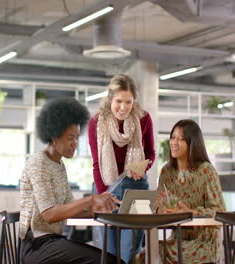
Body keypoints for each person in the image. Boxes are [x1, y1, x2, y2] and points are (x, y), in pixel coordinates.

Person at [20, 97, 123, 264]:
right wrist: (90, 199)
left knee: (112, 260)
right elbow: (49, 214)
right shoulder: (38, 163)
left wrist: (99, 211)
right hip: (36, 246)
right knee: (110, 262)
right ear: (54, 136)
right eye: (70, 138)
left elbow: (69, 210)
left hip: (53, 241)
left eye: (76, 138)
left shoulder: (58, 165)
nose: (75, 143)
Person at [88, 74, 155, 264]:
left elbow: (151, 153)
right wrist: (103, 196)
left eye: (129, 102)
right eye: (118, 101)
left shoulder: (143, 119)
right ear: (110, 99)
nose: (123, 107)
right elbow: (96, 164)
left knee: (130, 252)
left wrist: (143, 166)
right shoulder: (96, 122)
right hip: (106, 188)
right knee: (109, 254)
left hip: (137, 187)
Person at [155, 119, 226, 263]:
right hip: (177, 240)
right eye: (173, 137)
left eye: (181, 139)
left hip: (204, 243)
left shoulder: (206, 170)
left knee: (153, 253)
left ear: (192, 144)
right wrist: (160, 210)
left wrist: (190, 213)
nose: (174, 142)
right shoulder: (166, 171)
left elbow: (220, 212)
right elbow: (159, 207)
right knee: (146, 254)